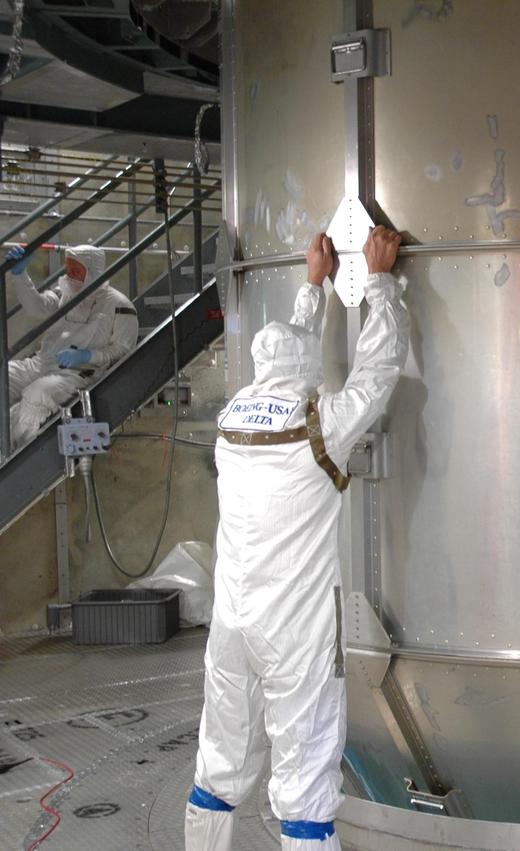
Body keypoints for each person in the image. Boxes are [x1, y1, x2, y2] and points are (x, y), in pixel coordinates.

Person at [185, 226, 409, 850]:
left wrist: (312, 286)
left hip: (232, 620)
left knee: (219, 761)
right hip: (294, 633)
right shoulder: (323, 426)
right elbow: (378, 369)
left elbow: (288, 357)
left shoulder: (233, 417)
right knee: (304, 784)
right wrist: (382, 282)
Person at [4, 243, 137, 447]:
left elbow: (123, 349)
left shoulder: (119, 305)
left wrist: (87, 356)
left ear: (92, 273)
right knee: (5, 375)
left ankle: (13, 455)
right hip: (42, 363)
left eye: (76, 272)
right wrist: (20, 275)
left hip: (77, 373)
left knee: (37, 393)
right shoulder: (64, 293)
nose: (69, 277)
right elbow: (37, 306)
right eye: (68, 271)